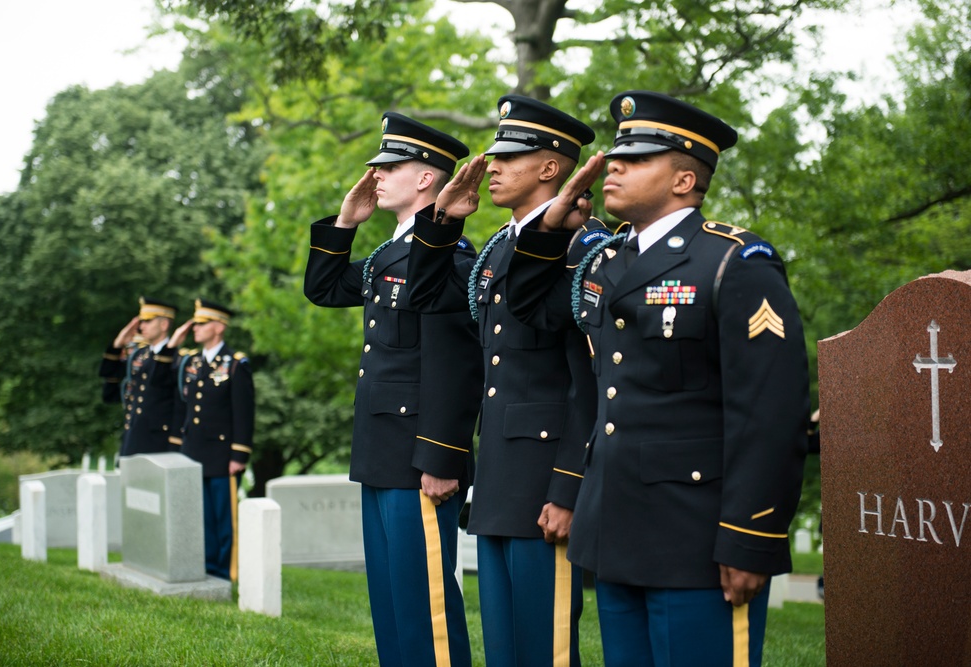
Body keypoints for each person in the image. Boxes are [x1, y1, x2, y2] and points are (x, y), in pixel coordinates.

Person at [504, 90, 811, 667]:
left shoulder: (733, 262)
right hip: (616, 531)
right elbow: (531, 306)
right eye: (617, 154)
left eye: (637, 158)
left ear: (683, 181)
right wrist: (550, 223)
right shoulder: (606, 262)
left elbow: (769, 413)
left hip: (698, 537)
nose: (613, 165)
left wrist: (751, 535)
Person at [406, 95, 608, 667]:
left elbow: (589, 378)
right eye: (493, 155)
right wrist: (443, 223)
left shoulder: (582, 246)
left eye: (508, 157)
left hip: (546, 478)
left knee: (544, 646)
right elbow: (428, 300)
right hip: (499, 472)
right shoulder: (498, 246)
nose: (491, 166)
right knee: (505, 646)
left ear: (550, 168)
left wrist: (569, 486)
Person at [303, 112, 483, 667]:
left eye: (390, 167)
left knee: (425, 605)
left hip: (419, 455)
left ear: (427, 177)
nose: (375, 176)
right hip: (382, 450)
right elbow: (325, 288)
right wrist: (346, 220)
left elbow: (455, 365)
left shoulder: (450, 258)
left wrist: (442, 456)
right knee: (390, 602)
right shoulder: (390, 253)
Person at [162, 299, 254, 581]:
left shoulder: (235, 364)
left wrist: (239, 456)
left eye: (201, 324)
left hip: (222, 455)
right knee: (198, 516)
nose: (195, 329)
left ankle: (225, 572)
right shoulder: (189, 362)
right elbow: (173, 397)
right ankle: (204, 566)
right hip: (192, 452)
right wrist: (175, 450)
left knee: (223, 519)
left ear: (218, 327)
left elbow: (244, 411)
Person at [99, 297, 179, 458]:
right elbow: (109, 377)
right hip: (133, 439)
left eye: (147, 321)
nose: (141, 326)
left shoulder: (177, 358)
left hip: (159, 443)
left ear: (164, 325)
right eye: (141, 321)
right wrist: (118, 344)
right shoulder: (140, 356)